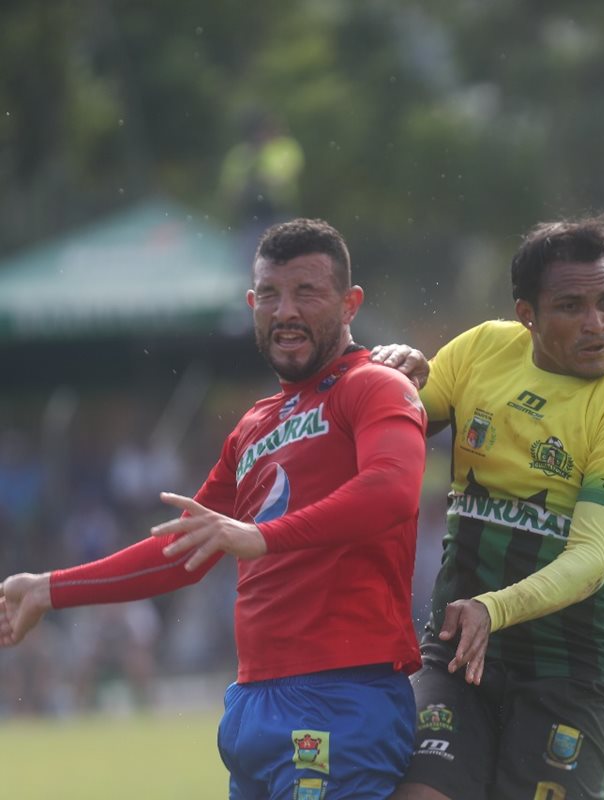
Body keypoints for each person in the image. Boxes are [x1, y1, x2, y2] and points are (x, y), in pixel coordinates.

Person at [0, 219, 428, 799]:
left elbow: (393, 490)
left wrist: (264, 536)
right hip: (252, 706)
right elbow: (183, 550)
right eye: (271, 295)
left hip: (341, 694)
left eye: (307, 292)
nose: (285, 312)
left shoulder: (374, 385)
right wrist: (49, 589)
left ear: (350, 303)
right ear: (251, 304)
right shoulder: (253, 426)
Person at [373, 214, 604, 800]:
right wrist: (380, 374)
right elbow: (387, 428)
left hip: (568, 667)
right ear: (526, 315)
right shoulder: (481, 353)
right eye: (571, 307)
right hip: (457, 652)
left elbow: (591, 558)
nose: (596, 325)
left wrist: (493, 607)